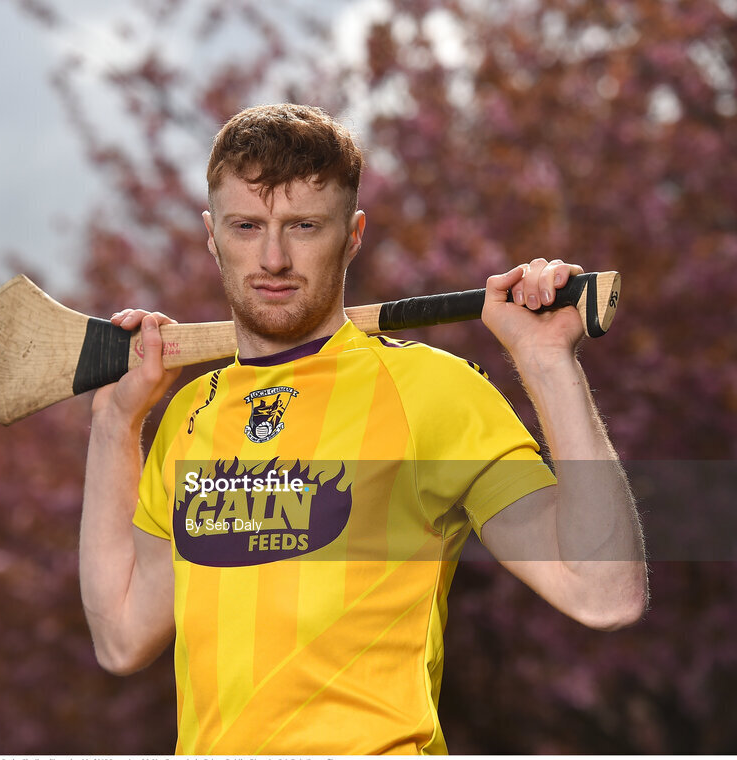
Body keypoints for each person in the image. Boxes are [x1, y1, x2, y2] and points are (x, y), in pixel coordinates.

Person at [79, 103, 647, 754]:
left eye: (304, 226)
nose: (273, 256)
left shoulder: (432, 393)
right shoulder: (189, 413)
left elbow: (605, 594)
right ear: (212, 235)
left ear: (352, 234)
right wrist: (115, 423)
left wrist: (547, 363)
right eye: (246, 226)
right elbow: (121, 637)